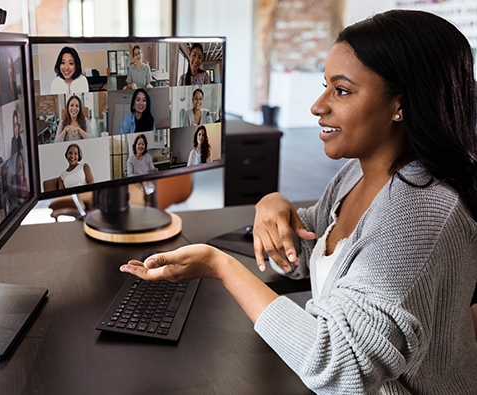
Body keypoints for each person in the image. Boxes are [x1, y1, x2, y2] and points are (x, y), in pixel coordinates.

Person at [120, 10, 477, 394]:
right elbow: (311, 252)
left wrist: (220, 266)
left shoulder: (421, 213)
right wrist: (272, 205)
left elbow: (341, 368)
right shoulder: (358, 174)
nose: (317, 105)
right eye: (325, 86)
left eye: (341, 90)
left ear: (400, 104)